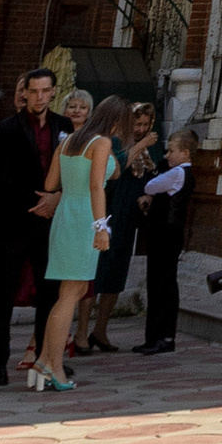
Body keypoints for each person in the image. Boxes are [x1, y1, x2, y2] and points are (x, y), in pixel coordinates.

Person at [0, 70, 64, 385]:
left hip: (51, 225)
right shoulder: (7, 129)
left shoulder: (64, 126)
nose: (38, 97)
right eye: (33, 91)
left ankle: (45, 359)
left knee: (50, 294)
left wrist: (56, 198)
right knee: (1, 296)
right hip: (13, 223)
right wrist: (39, 200)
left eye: (44, 91)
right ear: (25, 94)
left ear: (53, 92)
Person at [32, 101, 114, 393]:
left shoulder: (67, 142)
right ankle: (52, 366)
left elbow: (51, 182)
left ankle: (44, 358)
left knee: (69, 292)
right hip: (84, 218)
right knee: (71, 293)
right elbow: (97, 186)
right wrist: (101, 227)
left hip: (66, 215)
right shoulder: (101, 142)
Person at [129, 112, 193, 351]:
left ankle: (160, 337)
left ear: (185, 153)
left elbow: (150, 185)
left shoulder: (177, 173)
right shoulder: (181, 173)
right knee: (163, 283)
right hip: (169, 235)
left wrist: (152, 191)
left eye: (171, 151)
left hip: (165, 236)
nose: (167, 156)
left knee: (160, 284)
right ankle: (161, 336)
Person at [81, 101, 142, 351]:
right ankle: (81, 334)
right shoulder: (101, 141)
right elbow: (111, 174)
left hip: (123, 214)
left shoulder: (120, 141)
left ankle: (100, 330)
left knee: (115, 275)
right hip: (102, 214)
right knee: (92, 276)